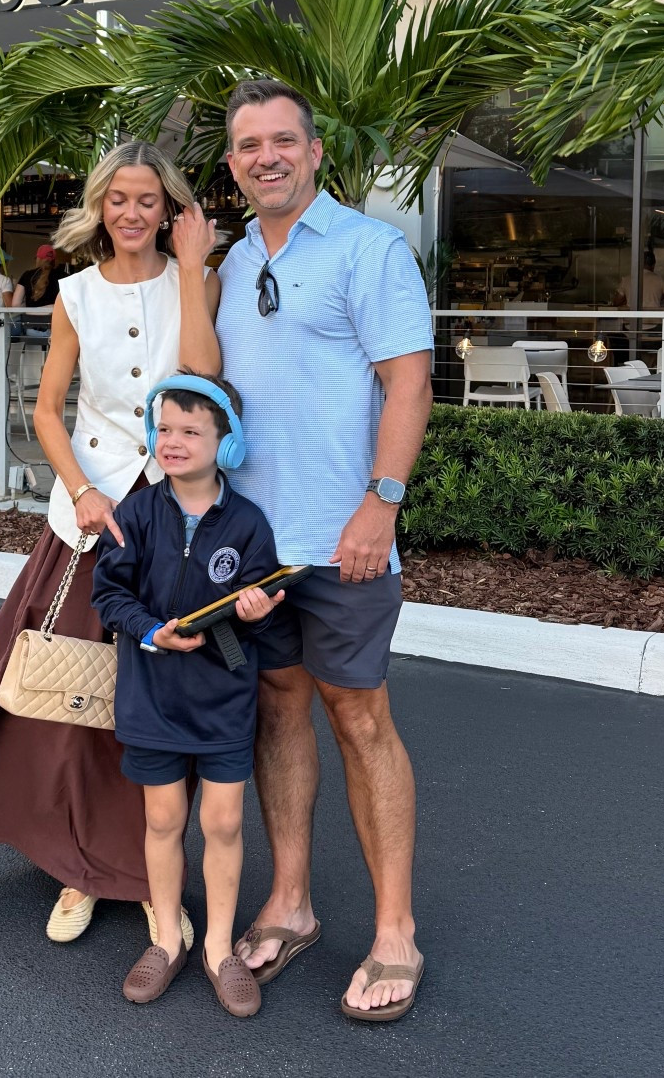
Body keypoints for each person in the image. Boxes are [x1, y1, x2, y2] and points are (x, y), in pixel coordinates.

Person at [0, 142, 221, 948]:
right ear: (100, 205)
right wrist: (83, 492)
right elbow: (49, 410)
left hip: (174, 521)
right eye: (117, 198)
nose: (131, 212)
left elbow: (202, 382)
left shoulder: (196, 281)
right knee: (74, 707)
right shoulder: (76, 294)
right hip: (87, 525)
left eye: (147, 200)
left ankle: (156, 884)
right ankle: (78, 869)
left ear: (168, 209)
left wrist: (192, 269)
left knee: (157, 710)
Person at [180, 78, 434, 1022]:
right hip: (254, 545)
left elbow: (409, 386)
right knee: (278, 710)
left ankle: (395, 930)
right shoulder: (236, 261)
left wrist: (382, 503)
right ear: (235, 164)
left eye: (281, 140)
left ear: (315, 151)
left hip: (345, 540)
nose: (265, 157)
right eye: (247, 146)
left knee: (360, 717)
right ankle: (291, 903)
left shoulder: (368, 250)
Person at [92, 373, 283, 1016]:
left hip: (224, 700)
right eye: (164, 429)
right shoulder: (137, 512)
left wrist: (257, 612)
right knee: (162, 820)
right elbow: (108, 594)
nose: (173, 442)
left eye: (191, 432)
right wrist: (149, 629)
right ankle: (168, 940)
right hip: (151, 696)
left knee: (223, 822)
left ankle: (221, 950)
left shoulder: (249, 523)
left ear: (225, 444)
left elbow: (272, 612)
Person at [12, 244, 62, 311]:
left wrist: (29, 308)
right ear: (54, 261)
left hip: (30, 319)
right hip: (54, 319)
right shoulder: (64, 276)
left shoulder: (27, 275)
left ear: (38, 259)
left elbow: (15, 304)